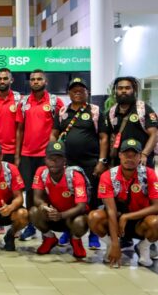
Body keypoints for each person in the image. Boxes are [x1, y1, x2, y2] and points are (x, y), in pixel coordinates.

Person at [50, 77, 108, 249]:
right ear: (68, 93)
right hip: (68, 164)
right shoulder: (63, 112)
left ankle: (93, 235)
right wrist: (55, 152)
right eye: (74, 89)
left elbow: (104, 138)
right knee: (70, 198)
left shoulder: (95, 111)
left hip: (90, 163)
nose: (77, 92)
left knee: (92, 199)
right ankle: (68, 231)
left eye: (81, 89)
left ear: (87, 92)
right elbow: (54, 133)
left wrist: (101, 161)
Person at [90, 139, 158, 268]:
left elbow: (157, 206)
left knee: (156, 222)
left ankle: (144, 247)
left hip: (140, 222)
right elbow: (111, 211)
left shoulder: (148, 174)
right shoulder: (108, 176)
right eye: (126, 155)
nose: (130, 159)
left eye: (134, 155)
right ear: (120, 155)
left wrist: (127, 217)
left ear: (140, 156)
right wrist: (115, 244)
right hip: (116, 220)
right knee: (94, 217)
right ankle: (110, 245)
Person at [15, 69, 64, 241]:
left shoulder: (55, 102)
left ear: (45, 81)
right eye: (33, 79)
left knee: (47, 191)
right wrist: (17, 155)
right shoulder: (23, 102)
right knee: (29, 191)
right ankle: (31, 225)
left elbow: (61, 129)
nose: (35, 82)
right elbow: (20, 130)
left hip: (48, 156)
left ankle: (48, 226)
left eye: (39, 79)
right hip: (27, 154)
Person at [29, 141, 89, 259]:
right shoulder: (41, 172)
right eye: (51, 158)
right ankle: (49, 238)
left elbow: (81, 206)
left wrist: (61, 215)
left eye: (58, 158)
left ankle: (76, 240)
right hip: (51, 215)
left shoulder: (75, 175)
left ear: (64, 161)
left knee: (81, 222)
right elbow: (37, 198)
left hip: (70, 217)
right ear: (45, 160)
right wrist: (45, 207)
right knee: (33, 212)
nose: (54, 162)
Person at [0, 68, 22, 236]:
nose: (2, 81)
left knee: (14, 189)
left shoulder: (19, 100)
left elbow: (20, 128)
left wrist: (17, 154)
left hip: (14, 150)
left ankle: (16, 223)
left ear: (11, 80)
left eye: (5, 78)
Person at [105, 76, 158, 167]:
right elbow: (109, 137)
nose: (123, 91)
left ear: (134, 90)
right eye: (120, 88)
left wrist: (144, 154)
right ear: (115, 91)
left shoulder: (143, 109)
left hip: (141, 161)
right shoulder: (111, 112)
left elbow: (154, 134)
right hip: (120, 163)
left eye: (127, 88)